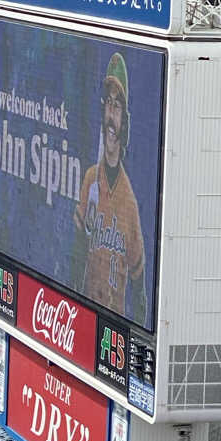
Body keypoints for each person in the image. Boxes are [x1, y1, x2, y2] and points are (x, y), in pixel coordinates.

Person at [71, 51, 147, 324]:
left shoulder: (130, 204)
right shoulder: (91, 179)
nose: (111, 115)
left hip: (111, 327)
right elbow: (76, 254)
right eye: (109, 104)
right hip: (84, 314)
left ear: (124, 120)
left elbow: (140, 291)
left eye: (118, 106)